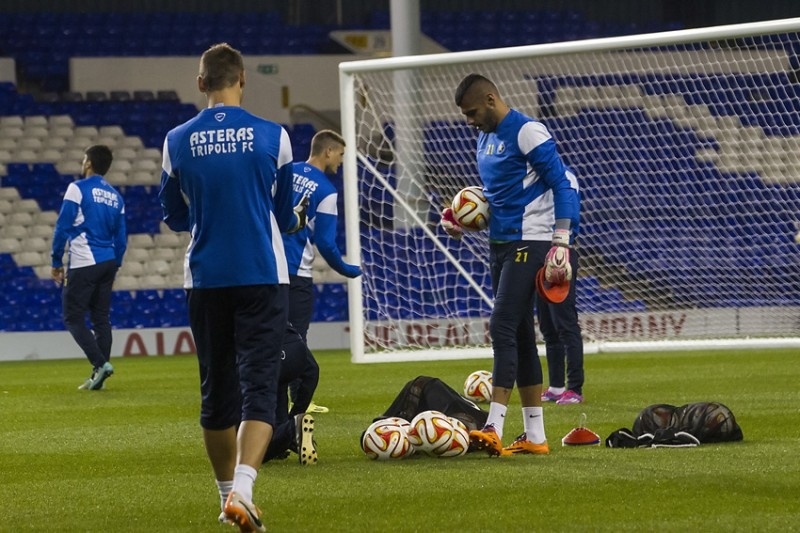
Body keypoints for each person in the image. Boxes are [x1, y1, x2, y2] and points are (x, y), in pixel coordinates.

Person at [158, 43, 307, 532]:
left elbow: (174, 215)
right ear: (242, 79)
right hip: (262, 274)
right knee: (259, 388)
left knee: (216, 394)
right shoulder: (274, 137)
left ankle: (228, 501)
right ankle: (243, 491)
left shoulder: (176, 140)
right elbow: (285, 217)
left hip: (205, 278)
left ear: (201, 83)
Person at [442, 73, 580, 456]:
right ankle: (535, 435)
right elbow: (496, 193)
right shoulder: (484, 138)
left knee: (501, 324)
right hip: (499, 243)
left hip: (530, 240)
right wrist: (460, 217)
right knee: (519, 336)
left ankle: (493, 426)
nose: (469, 121)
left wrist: (562, 241)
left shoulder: (528, 131)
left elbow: (562, 184)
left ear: (490, 99)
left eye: (471, 112)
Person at [282, 129, 362, 413]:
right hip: (296, 273)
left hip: (266, 268)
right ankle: (299, 406)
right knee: (296, 340)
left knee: (270, 338)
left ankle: (271, 405)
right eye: (340, 154)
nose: (340, 161)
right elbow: (325, 244)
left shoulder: (283, 171)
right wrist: (348, 269)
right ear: (328, 152)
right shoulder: (326, 191)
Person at [51, 144, 127, 391]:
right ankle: (99, 374)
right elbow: (122, 239)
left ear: (88, 163)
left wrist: (56, 261)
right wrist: (115, 265)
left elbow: (62, 227)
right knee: (101, 319)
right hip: (108, 261)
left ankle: (100, 364)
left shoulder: (77, 188)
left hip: (85, 260)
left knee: (73, 317)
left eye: (84, 159)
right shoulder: (116, 197)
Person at [261, 325, 319, 466]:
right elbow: (312, 371)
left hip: (264, 355)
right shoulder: (275, 306)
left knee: (246, 452)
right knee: (278, 427)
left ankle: (291, 429)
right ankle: (290, 432)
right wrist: (298, 411)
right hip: (294, 349)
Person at [538, 245, 585, 405]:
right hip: (538, 255)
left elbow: (569, 220)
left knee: (565, 325)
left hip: (559, 255)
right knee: (548, 328)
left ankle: (574, 389)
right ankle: (556, 387)